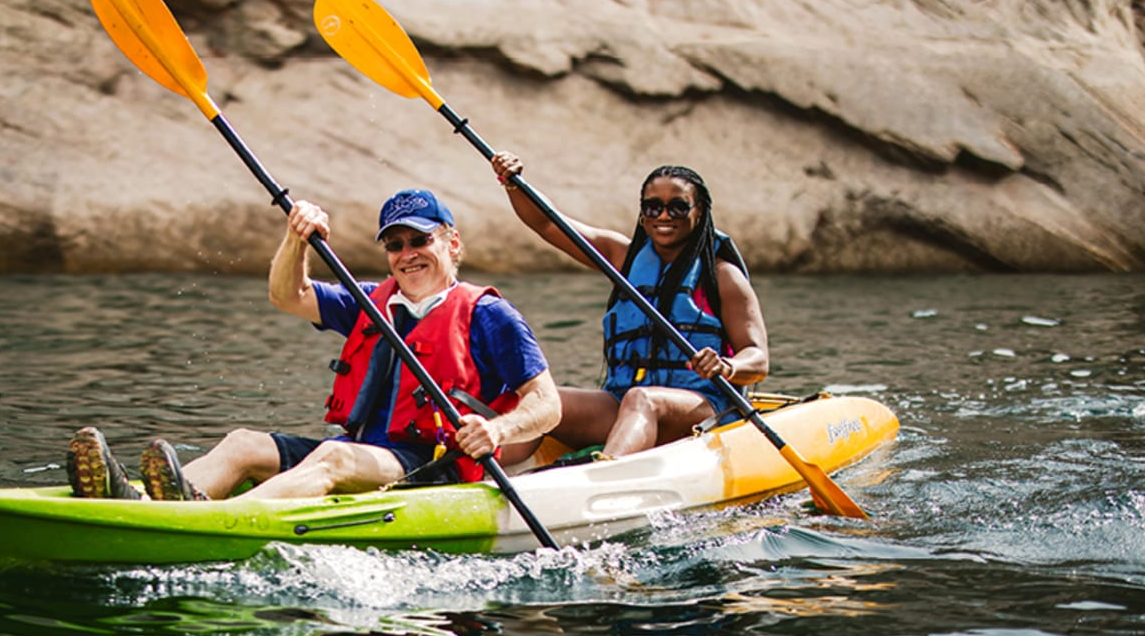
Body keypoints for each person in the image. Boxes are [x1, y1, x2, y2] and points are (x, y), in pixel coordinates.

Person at [65, 188, 563, 501]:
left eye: (420, 241)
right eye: (395, 245)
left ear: (451, 244)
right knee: (243, 442)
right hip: (366, 449)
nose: (407, 255)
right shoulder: (372, 302)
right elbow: (289, 295)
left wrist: (497, 430)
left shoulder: (489, 314)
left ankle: (212, 520)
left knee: (332, 458)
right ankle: (139, 502)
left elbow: (547, 404)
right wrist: (296, 238)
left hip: (433, 465)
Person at [489, 152, 769, 460]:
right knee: (544, 401)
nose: (664, 216)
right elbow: (547, 222)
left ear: (699, 211)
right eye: (653, 206)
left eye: (677, 206)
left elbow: (758, 359)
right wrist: (513, 183)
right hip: (623, 404)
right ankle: (471, 474)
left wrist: (728, 366)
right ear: (642, 213)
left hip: (703, 409)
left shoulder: (723, 277)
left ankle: (604, 475)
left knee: (642, 399)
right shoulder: (623, 259)